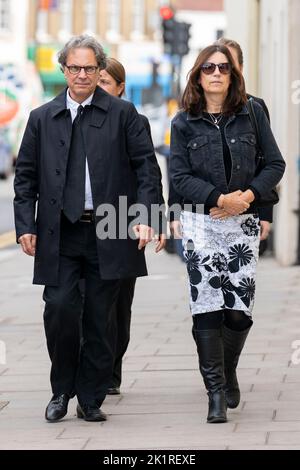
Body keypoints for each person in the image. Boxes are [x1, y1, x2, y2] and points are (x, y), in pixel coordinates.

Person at [14, 35, 162, 423]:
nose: (82, 74)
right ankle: (61, 390)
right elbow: (25, 177)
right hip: (60, 233)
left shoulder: (123, 114)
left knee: (101, 318)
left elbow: (148, 168)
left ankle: (91, 397)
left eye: (90, 68)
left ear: (100, 71)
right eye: (75, 68)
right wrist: (23, 226)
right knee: (60, 309)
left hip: (110, 229)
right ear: (64, 70)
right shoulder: (41, 118)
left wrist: (148, 217)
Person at [169, 44, 285, 423]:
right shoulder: (183, 121)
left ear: (233, 76)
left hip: (242, 224)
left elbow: (275, 164)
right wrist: (219, 198)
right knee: (206, 307)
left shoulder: (251, 114)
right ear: (197, 77)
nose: (216, 73)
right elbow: (179, 176)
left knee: (238, 312)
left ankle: (228, 367)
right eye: (208, 68)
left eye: (223, 68)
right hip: (202, 223)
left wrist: (247, 198)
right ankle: (215, 392)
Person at [97, 57, 166, 395]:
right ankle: (90, 372)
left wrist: (152, 219)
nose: (99, 90)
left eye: (106, 83)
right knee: (83, 303)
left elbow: (148, 172)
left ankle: (111, 369)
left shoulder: (132, 120)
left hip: (121, 224)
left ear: (120, 87)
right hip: (82, 228)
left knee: (118, 306)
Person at [214, 38, 273, 254]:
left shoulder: (255, 108)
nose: (222, 70)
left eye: (229, 63)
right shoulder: (192, 113)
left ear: (241, 68)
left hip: (247, 212)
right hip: (206, 214)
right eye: (217, 64)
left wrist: (265, 214)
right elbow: (180, 170)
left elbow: (266, 162)